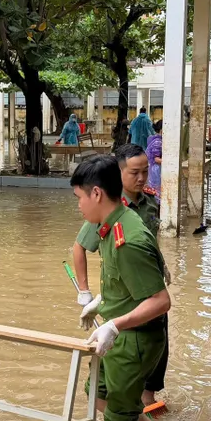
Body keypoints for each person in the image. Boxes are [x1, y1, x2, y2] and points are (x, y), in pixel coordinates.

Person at [70, 155, 190, 421]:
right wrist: (101, 301)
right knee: (100, 398)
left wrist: (116, 323)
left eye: (79, 197)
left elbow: (160, 301)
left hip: (133, 340)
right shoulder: (112, 224)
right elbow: (125, 284)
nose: (78, 206)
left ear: (96, 194)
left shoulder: (128, 239)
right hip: (119, 334)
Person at [71, 144, 167, 407]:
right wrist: (89, 294)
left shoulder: (140, 212)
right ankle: (142, 418)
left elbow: (145, 254)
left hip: (144, 305)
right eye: (134, 172)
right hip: (126, 310)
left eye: (145, 171)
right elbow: (81, 247)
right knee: (104, 398)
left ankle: (146, 407)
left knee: (130, 402)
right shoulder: (108, 215)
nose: (141, 178)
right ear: (119, 174)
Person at [145, 120, 163, 192]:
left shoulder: (154, 139)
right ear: (162, 130)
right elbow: (156, 159)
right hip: (156, 169)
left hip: (152, 168)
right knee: (157, 190)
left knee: (154, 189)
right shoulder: (158, 142)